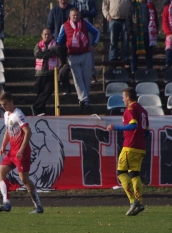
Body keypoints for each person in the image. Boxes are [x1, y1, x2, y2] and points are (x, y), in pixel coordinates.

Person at [0, 92, 44, 214]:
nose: (3, 107)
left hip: (22, 153)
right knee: (0, 173)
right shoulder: (7, 114)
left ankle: (38, 206)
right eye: (1, 105)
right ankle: (6, 203)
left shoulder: (18, 114)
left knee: (24, 180)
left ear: (11, 102)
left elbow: (28, 132)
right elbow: (8, 130)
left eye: (5, 104)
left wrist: (21, 149)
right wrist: (3, 145)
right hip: (12, 153)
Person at [106, 87, 150, 216]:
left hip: (130, 146)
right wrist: (139, 138)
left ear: (128, 97)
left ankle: (133, 201)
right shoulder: (143, 110)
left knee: (121, 172)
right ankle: (139, 202)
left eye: (123, 97)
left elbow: (133, 125)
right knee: (134, 174)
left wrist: (116, 128)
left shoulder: (130, 109)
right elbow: (146, 132)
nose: (123, 100)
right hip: (141, 147)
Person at [57, 8, 100, 109]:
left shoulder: (85, 24)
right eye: (73, 15)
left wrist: (94, 44)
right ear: (70, 16)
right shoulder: (65, 26)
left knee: (86, 77)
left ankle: (85, 98)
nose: (75, 17)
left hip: (86, 54)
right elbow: (59, 41)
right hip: (72, 56)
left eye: (77, 15)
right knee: (77, 78)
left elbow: (96, 32)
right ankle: (84, 99)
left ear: (80, 15)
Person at [31, 28, 63, 116]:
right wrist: (51, 52)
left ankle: (36, 107)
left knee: (47, 91)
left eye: (48, 34)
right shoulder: (38, 45)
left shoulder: (56, 44)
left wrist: (46, 53)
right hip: (40, 73)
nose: (47, 36)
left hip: (51, 73)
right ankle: (40, 111)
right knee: (40, 93)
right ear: (42, 35)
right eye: (45, 34)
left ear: (51, 35)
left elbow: (58, 50)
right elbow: (38, 55)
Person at [47, 0, 74, 95]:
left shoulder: (72, 9)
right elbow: (50, 27)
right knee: (62, 64)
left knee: (67, 65)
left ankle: (58, 81)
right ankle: (67, 88)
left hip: (72, 42)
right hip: (59, 43)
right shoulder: (53, 11)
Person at [126, 0, 158, 74]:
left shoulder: (150, 5)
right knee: (134, 54)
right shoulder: (133, 5)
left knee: (149, 54)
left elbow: (155, 19)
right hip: (136, 33)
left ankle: (150, 72)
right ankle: (133, 72)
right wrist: (130, 33)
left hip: (148, 33)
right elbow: (128, 19)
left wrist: (155, 31)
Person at [71, 0, 98, 82]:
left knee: (89, 52)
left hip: (87, 27)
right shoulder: (75, 1)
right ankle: (78, 74)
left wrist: (84, 12)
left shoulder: (90, 1)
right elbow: (72, 12)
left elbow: (94, 12)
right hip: (76, 28)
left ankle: (91, 74)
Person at [162, 0, 172, 72]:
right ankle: (168, 65)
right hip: (170, 33)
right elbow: (165, 22)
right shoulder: (167, 9)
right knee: (169, 46)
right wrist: (169, 33)